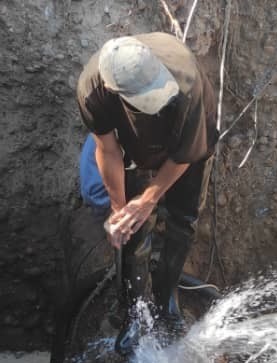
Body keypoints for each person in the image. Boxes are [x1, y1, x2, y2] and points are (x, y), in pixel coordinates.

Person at [76, 32, 218, 327]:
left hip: (189, 140)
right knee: (135, 224)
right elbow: (108, 150)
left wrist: (150, 198)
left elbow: (183, 157)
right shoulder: (92, 90)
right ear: (113, 90)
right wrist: (120, 208)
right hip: (135, 142)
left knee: (184, 218)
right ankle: (135, 309)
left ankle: (167, 297)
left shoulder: (186, 83)